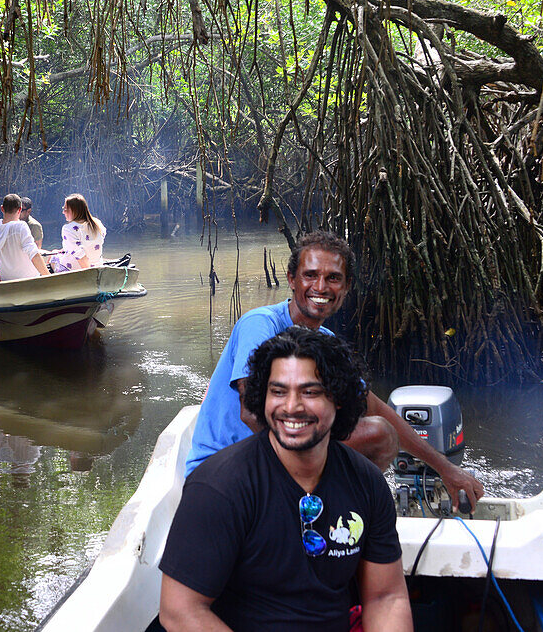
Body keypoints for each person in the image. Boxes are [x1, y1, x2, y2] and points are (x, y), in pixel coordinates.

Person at [186, 231, 484, 512]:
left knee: (382, 432)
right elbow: (251, 414)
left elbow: (375, 407)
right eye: (310, 275)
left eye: (333, 278)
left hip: (276, 466)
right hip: (222, 469)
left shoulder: (326, 342)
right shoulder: (260, 324)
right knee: (376, 435)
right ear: (291, 279)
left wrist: (445, 467)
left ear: (346, 286)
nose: (320, 287)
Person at [159, 327, 412, 632]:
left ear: (339, 399)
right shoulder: (218, 487)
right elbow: (180, 611)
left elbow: (386, 598)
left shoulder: (366, 482)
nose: (291, 407)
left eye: (310, 392)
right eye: (278, 391)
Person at [0, 194, 50, 283]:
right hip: (30, 279)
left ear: (2, 208)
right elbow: (34, 255)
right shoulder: (21, 226)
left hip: (7, 281)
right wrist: (49, 278)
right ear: (20, 210)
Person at [48, 193, 105, 272]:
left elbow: (81, 256)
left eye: (65, 209)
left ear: (75, 211)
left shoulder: (68, 228)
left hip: (76, 270)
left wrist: (89, 275)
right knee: (58, 252)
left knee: (53, 255)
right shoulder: (97, 223)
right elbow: (90, 244)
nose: (63, 212)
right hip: (98, 266)